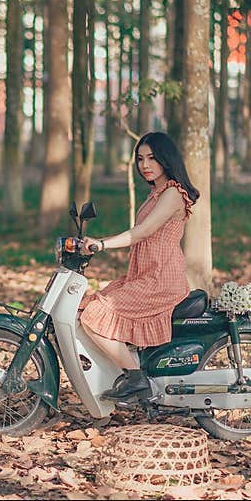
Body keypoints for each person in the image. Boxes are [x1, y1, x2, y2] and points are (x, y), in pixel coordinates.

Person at [78, 131, 200, 400]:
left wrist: (102, 244)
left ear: (166, 160)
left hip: (160, 281)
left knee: (95, 313)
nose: (145, 165)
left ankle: (136, 379)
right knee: (86, 305)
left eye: (152, 158)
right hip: (144, 276)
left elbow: (143, 232)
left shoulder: (172, 193)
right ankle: (119, 375)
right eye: (141, 159)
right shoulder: (156, 192)